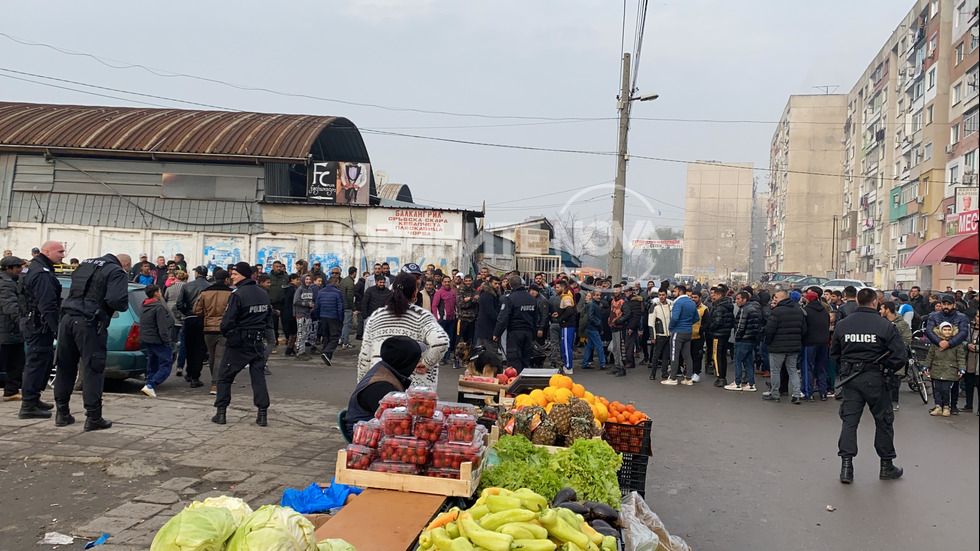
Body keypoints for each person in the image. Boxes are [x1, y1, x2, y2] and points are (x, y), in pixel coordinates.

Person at [831, 288, 907, 484]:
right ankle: (886, 466)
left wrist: (847, 367)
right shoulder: (885, 325)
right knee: (883, 422)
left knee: (849, 422)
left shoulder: (843, 324)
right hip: (876, 379)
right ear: (875, 303)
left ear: (858, 302)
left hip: (851, 380)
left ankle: (846, 468)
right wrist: (885, 367)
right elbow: (900, 356)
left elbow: (834, 354)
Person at [53, 253, 130, 430]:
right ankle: (93, 417)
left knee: (65, 367)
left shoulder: (85, 264)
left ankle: (62, 414)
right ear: (125, 264)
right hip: (89, 323)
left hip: (66, 320)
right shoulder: (116, 271)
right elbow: (117, 300)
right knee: (93, 369)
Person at [356, 272, 449, 386]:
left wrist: (361, 385)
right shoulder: (422, 317)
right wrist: (426, 363)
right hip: (413, 388)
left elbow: (365, 358)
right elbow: (441, 342)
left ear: (392, 291)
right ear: (415, 292)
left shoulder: (376, 317)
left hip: (380, 382)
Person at [210, 262, 273, 426]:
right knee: (258, 378)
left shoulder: (238, 295)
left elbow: (227, 322)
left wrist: (229, 334)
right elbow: (268, 318)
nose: (232, 276)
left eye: (235, 274)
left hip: (239, 343)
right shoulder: (263, 293)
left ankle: (221, 413)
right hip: (258, 342)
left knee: (224, 377)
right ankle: (262, 414)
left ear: (244, 275)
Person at [344, 336, 425, 441]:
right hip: (365, 436)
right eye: (416, 359)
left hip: (373, 429)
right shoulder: (382, 386)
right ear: (406, 361)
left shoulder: (385, 369)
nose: (419, 361)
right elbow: (395, 424)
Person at [19, 241, 66, 419]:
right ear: (46, 252)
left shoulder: (37, 268)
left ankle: (33, 399)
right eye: (60, 251)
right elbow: (47, 305)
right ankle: (28, 405)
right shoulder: (42, 273)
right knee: (36, 364)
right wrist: (56, 329)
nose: (63, 255)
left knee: (42, 362)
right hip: (39, 325)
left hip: (34, 323)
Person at [763, 290, 806, 404]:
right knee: (792, 370)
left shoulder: (777, 311)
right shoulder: (799, 310)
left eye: (776, 297)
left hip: (777, 347)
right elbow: (804, 330)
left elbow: (769, 329)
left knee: (775, 371)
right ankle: (797, 394)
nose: (774, 299)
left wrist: (767, 342)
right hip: (794, 346)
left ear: (782, 298)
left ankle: (775, 394)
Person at [194, 268, 232, 395]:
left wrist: (207, 315)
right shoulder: (231, 293)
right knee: (220, 356)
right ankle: (215, 384)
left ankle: (214, 380)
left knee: (212, 355)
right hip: (224, 328)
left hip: (208, 328)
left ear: (215, 279)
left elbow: (197, 310)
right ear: (227, 279)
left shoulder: (205, 293)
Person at [494, 275, 537, 373]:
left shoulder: (510, 299)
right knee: (525, 359)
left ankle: (515, 383)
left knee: (514, 360)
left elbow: (503, 318)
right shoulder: (532, 299)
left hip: (515, 333)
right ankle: (525, 381)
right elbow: (535, 318)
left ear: (510, 285)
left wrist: (497, 333)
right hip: (528, 332)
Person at [176, 266, 210, 388]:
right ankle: (195, 376)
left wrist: (187, 312)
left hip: (190, 319)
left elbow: (179, 304)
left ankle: (190, 373)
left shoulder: (187, 286)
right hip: (204, 320)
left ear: (196, 274)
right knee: (200, 348)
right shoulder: (209, 286)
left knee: (189, 347)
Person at [139, 284, 175, 398]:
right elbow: (162, 327)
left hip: (147, 338)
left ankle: (149, 383)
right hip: (158, 339)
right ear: (155, 293)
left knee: (152, 361)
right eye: (159, 291)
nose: (160, 293)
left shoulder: (144, 306)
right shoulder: (158, 307)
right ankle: (151, 385)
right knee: (166, 363)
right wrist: (167, 341)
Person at [923, 321, 966, 417]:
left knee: (946, 389)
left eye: (949, 329)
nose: (947, 332)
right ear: (941, 331)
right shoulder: (935, 344)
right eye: (945, 330)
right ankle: (938, 406)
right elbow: (930, 355)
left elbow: (960, 357)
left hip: (950, 370)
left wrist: (961, 368)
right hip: (937, 369)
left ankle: (946, 406)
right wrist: (927, 365)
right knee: (936, 389)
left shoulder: (957, 344)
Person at [0, 256, 28, 402]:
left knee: (17, 363)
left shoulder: (14, 281)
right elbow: (10, 306)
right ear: (8, 269)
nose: (21, 269)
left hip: (14, 332)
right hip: (5, 331)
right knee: (5, 361)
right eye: (18, 267)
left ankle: (11, 391)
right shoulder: (5, 284)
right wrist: (22, 321)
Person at [663, 284, 700, 385]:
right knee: (687, 356)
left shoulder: (678, 302)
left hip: (678, 331)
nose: (673, 293)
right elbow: (696, 318)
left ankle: (673, 377)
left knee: (674, 354)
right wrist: (688, 323)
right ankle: (688, 378)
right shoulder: (691, 303)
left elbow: (675, 318)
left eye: (675, 291)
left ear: (680, 292)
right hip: (688, 331)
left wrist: (671, 327)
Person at [879, 301, 912, 411]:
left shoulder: (901, 324)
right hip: (883, 356)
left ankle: (894, 401)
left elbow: (907, 339)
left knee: (894, 380)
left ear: (887, 310)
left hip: (896, 356)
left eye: (882, 309)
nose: (880, 311)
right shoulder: (881, 323)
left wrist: (896, 349)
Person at [727, 290, 762, 391]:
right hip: (751, 340)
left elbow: (740, 327)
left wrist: (737, 338)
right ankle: (751, 384)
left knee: (738, 361)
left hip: (743, 340)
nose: (736, 301)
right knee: (748, 362)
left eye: (738, 299)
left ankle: (737, 383)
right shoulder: (752, 309)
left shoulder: (744, 310)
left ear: (744, 299)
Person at [802, 289, 831, 400]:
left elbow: (804, 328)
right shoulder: (824, 311)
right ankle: (823, 392)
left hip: (809, 343)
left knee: (808, 367)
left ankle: (808, 393)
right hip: (823, 342)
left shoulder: (806, 311)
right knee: (822, 368)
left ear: (808, 300)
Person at [707, 285, 735, 387]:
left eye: (714, 295)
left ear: (719, 295)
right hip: (726, 333)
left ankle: (720, 377)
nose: (712, 296)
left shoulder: (718, 306)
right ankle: (723, 376)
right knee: (722, 356)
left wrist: (711, 328)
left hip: (718, 334)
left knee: (717, 355)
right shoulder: (729, 305)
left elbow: (717, 321)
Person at [316, 275, 345, 366]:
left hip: (323, 316)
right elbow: (340, 307)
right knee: (335, 337)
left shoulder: (320, 292)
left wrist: (318, 317)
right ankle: (327, 352)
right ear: (335, 283)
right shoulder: (338, 293)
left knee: (326, 336)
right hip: (334, 317)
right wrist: (341, 319)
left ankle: (327, 356)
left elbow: (317, 306)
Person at [432, 275, 459, 365]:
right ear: (442, 283)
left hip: (451, 319)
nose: (447, 283)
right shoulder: (439, 292)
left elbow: (455, 304)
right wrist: (438, 317)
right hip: (442, 320)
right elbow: (434, 306)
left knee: (449, 338)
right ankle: (440, 358)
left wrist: (456, 314)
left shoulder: (452, 292)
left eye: (448, 282)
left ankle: (447, 357)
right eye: (445, 282)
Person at [647, 289, 673, 380]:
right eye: (660, 295)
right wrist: (652, 336)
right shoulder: (654, 307)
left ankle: (664, 372)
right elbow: (651, 323)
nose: (661, 297)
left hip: (669, 334)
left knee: (666, 356)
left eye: (663, 295)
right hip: (659, 335)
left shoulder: (671, 306)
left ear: (666, 295)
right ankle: (653, 373)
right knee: (656, 355)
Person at [474, 275, 501, 352]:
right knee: (491, 351)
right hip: (487, 328)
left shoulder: (493, 295)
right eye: (495, 283)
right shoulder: (487, 296)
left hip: (485, 327)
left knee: (480, 349)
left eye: (498, 284)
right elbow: (490, 312)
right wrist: (499, 319)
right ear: (490, 283)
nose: (497, 285)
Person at [582, 291, 606, 373]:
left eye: (600, 295)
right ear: (593, 296)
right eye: (597, 295)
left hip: (591, 327)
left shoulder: (593, 304)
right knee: (599, 346)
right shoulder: (592, 304)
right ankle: (602, 363)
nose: (599, 297)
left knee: (589, 346)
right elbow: (591, 317)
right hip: (593, 328)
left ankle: (585, 363)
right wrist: (599, 326)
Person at [293, 274, 315, 360]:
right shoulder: (299, 290)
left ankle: (303, 351)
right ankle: (299, 352)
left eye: (310, 279)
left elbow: (310, 300)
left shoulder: (310, 290)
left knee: (306, 333)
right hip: (300, 314)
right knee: (300, 334)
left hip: (308, 314)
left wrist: (312, 306)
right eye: (306, 279)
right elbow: (296, 301)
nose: (308, 281)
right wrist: (306, 304)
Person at [339, 266, 358, 349]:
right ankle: (345, 342)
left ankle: (342, 339)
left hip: (341, 305)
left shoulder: (343, 280)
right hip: (347, 306)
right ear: (354, 273)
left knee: (344, 323)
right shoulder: (350, 283)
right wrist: (354, 308)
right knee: (347, 324)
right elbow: (350, 297)